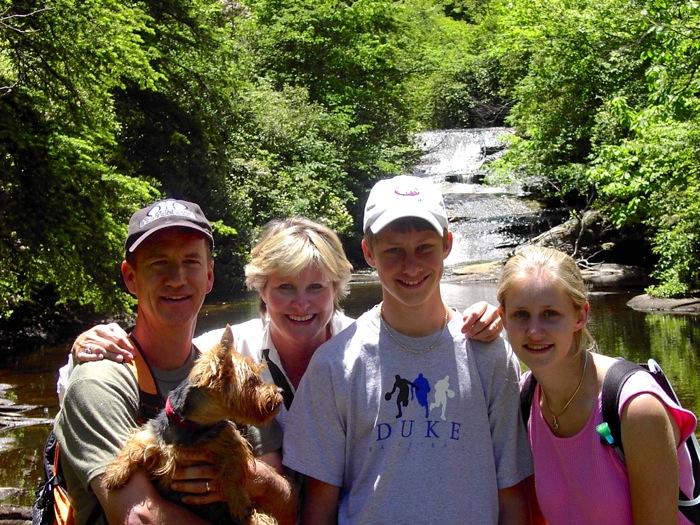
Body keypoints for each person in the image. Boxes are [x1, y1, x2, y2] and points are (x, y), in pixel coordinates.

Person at [65, 217, 504, 475]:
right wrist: (82, 351)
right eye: (285, 288)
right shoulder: (227, 351)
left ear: (337, 289)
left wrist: (479, 320)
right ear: (261, 290)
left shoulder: (365, 349)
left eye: (316, 287)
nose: (301, 304)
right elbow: (142, 375)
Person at [282, 175, 533, 524]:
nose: (411, 266)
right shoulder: (334, 364)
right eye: (394, 250)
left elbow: (511, 494)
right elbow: (319, 506)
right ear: (369, 252)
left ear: (447, 244)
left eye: (425, 247)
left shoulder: (489, 354)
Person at [53, 199, 296, 525]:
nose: (177, 278)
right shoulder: (100, 381)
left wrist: (254, 478)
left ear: (209, 276)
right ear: (130, 277)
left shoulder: (227, 380)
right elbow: (140, 517)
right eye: (158, 263)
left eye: (191, 262)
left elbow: (287, 509)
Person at [496, 245, 697, 525]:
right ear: (502, 318)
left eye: (550, 313)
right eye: (521, 315)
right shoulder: (524, 399)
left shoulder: (636, 408)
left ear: (580, 315)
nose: (534, 331)